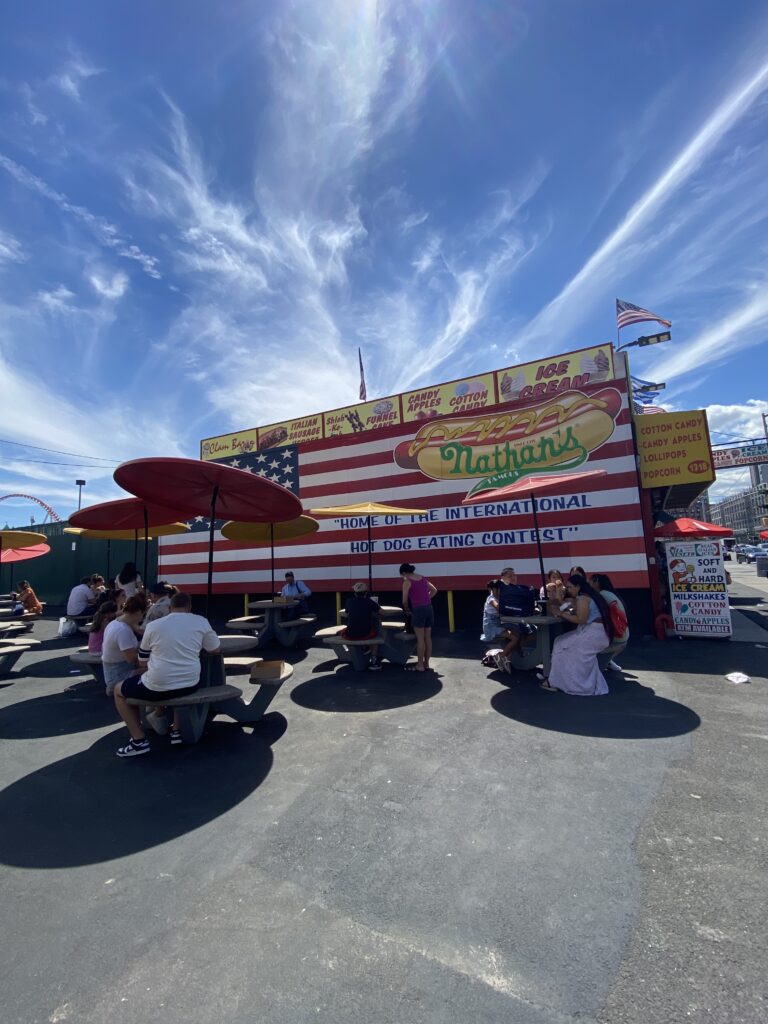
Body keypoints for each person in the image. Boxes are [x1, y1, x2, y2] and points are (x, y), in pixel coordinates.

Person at [112, 591, 221, 758]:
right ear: (190, 607)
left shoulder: (153, 626)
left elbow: (142, 661)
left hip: (157, 686)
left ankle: (138, 741)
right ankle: (176, 731)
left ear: (170, 608)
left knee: (118, 690)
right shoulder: (201, 621)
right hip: (190, 684)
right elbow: (214, 649)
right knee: (177, 681)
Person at [539, 574, 614, 695]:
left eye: (569, 587)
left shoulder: (583, 598)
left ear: (578, 586)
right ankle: (561, 679)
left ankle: (556, 682)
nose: (568, 590)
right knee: (560, 640)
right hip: (600, 634)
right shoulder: (590, 595)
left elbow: (581, 620)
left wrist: (561, 613)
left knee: (560, 644)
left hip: (594, 634)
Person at [101, 595, 145, 697]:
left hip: (113, 671)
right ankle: (155, 707)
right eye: (143, 614)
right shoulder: (122, 631)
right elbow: (131, 658)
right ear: (138, 612)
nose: (142, 618)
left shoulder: (116, 622)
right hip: (119, 675)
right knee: (156, 671)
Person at [400, 563, 437, 672]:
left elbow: (404, 601)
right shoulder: (422, 578)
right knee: (428, 638)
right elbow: (434, 590)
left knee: (420, 639)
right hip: (429, 608)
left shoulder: (407, 582)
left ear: (404, 573)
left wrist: (407, 610)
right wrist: (426, 599)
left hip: (418, 610)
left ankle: (419, 665)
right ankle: (426, 664)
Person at [590, 573, 629, 672]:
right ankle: (608, 661)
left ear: (596, 582)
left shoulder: (601, 595)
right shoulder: (610, 593)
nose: (588, 584)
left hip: (616, 636)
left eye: (590, 582)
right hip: (623, 634)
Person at [343, 582, 382, 671]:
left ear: (355, 593)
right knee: (376, 636)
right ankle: (374, 660)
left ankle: (364, 649)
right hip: (365, 634)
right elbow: (381, 612)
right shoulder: (369, 602)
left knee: (343, 630)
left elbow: (346, 613)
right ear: (366, 593)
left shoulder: (349, 601)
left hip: (350, 634)